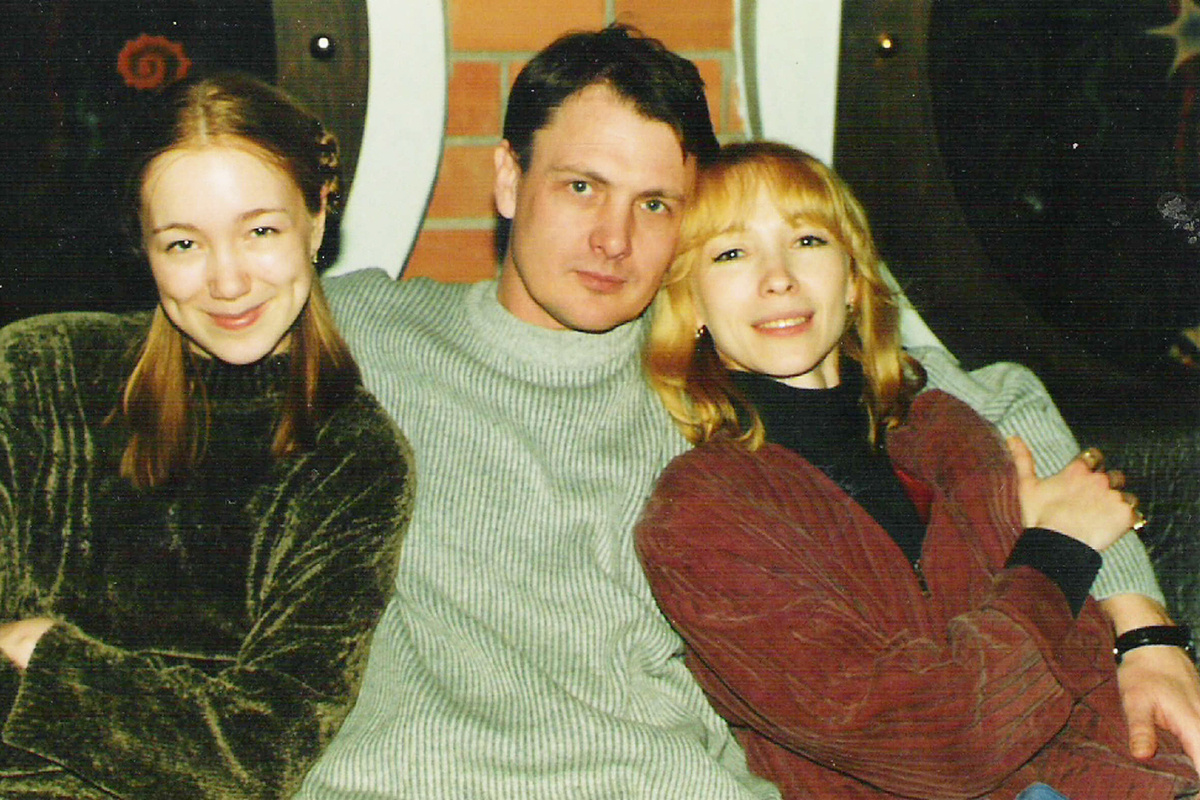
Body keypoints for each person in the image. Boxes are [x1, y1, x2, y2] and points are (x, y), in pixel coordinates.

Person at [298, 25, 1200, 798]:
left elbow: (997, 400)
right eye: (581, 187)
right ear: (507, 178)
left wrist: (1146, 634)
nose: (613, 239)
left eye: (655, 203)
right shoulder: (371, 331)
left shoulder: (714, 367)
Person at [635, 141, 1199, 799]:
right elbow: (945, 742)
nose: (778, 277)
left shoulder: (942, 431)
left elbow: (1077, 663)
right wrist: (1057, 549)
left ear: (853, 281)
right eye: (731, 254)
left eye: (808, 240)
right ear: (691, 305)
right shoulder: (704, 513)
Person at [0, 73, 413, 798]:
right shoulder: (39, 375)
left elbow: (258, 755)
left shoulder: (353, 461)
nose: (227, 282)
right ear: (145, 246)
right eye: (184, 243)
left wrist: (48, 658)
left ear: (318, 218)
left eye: (260, 232)